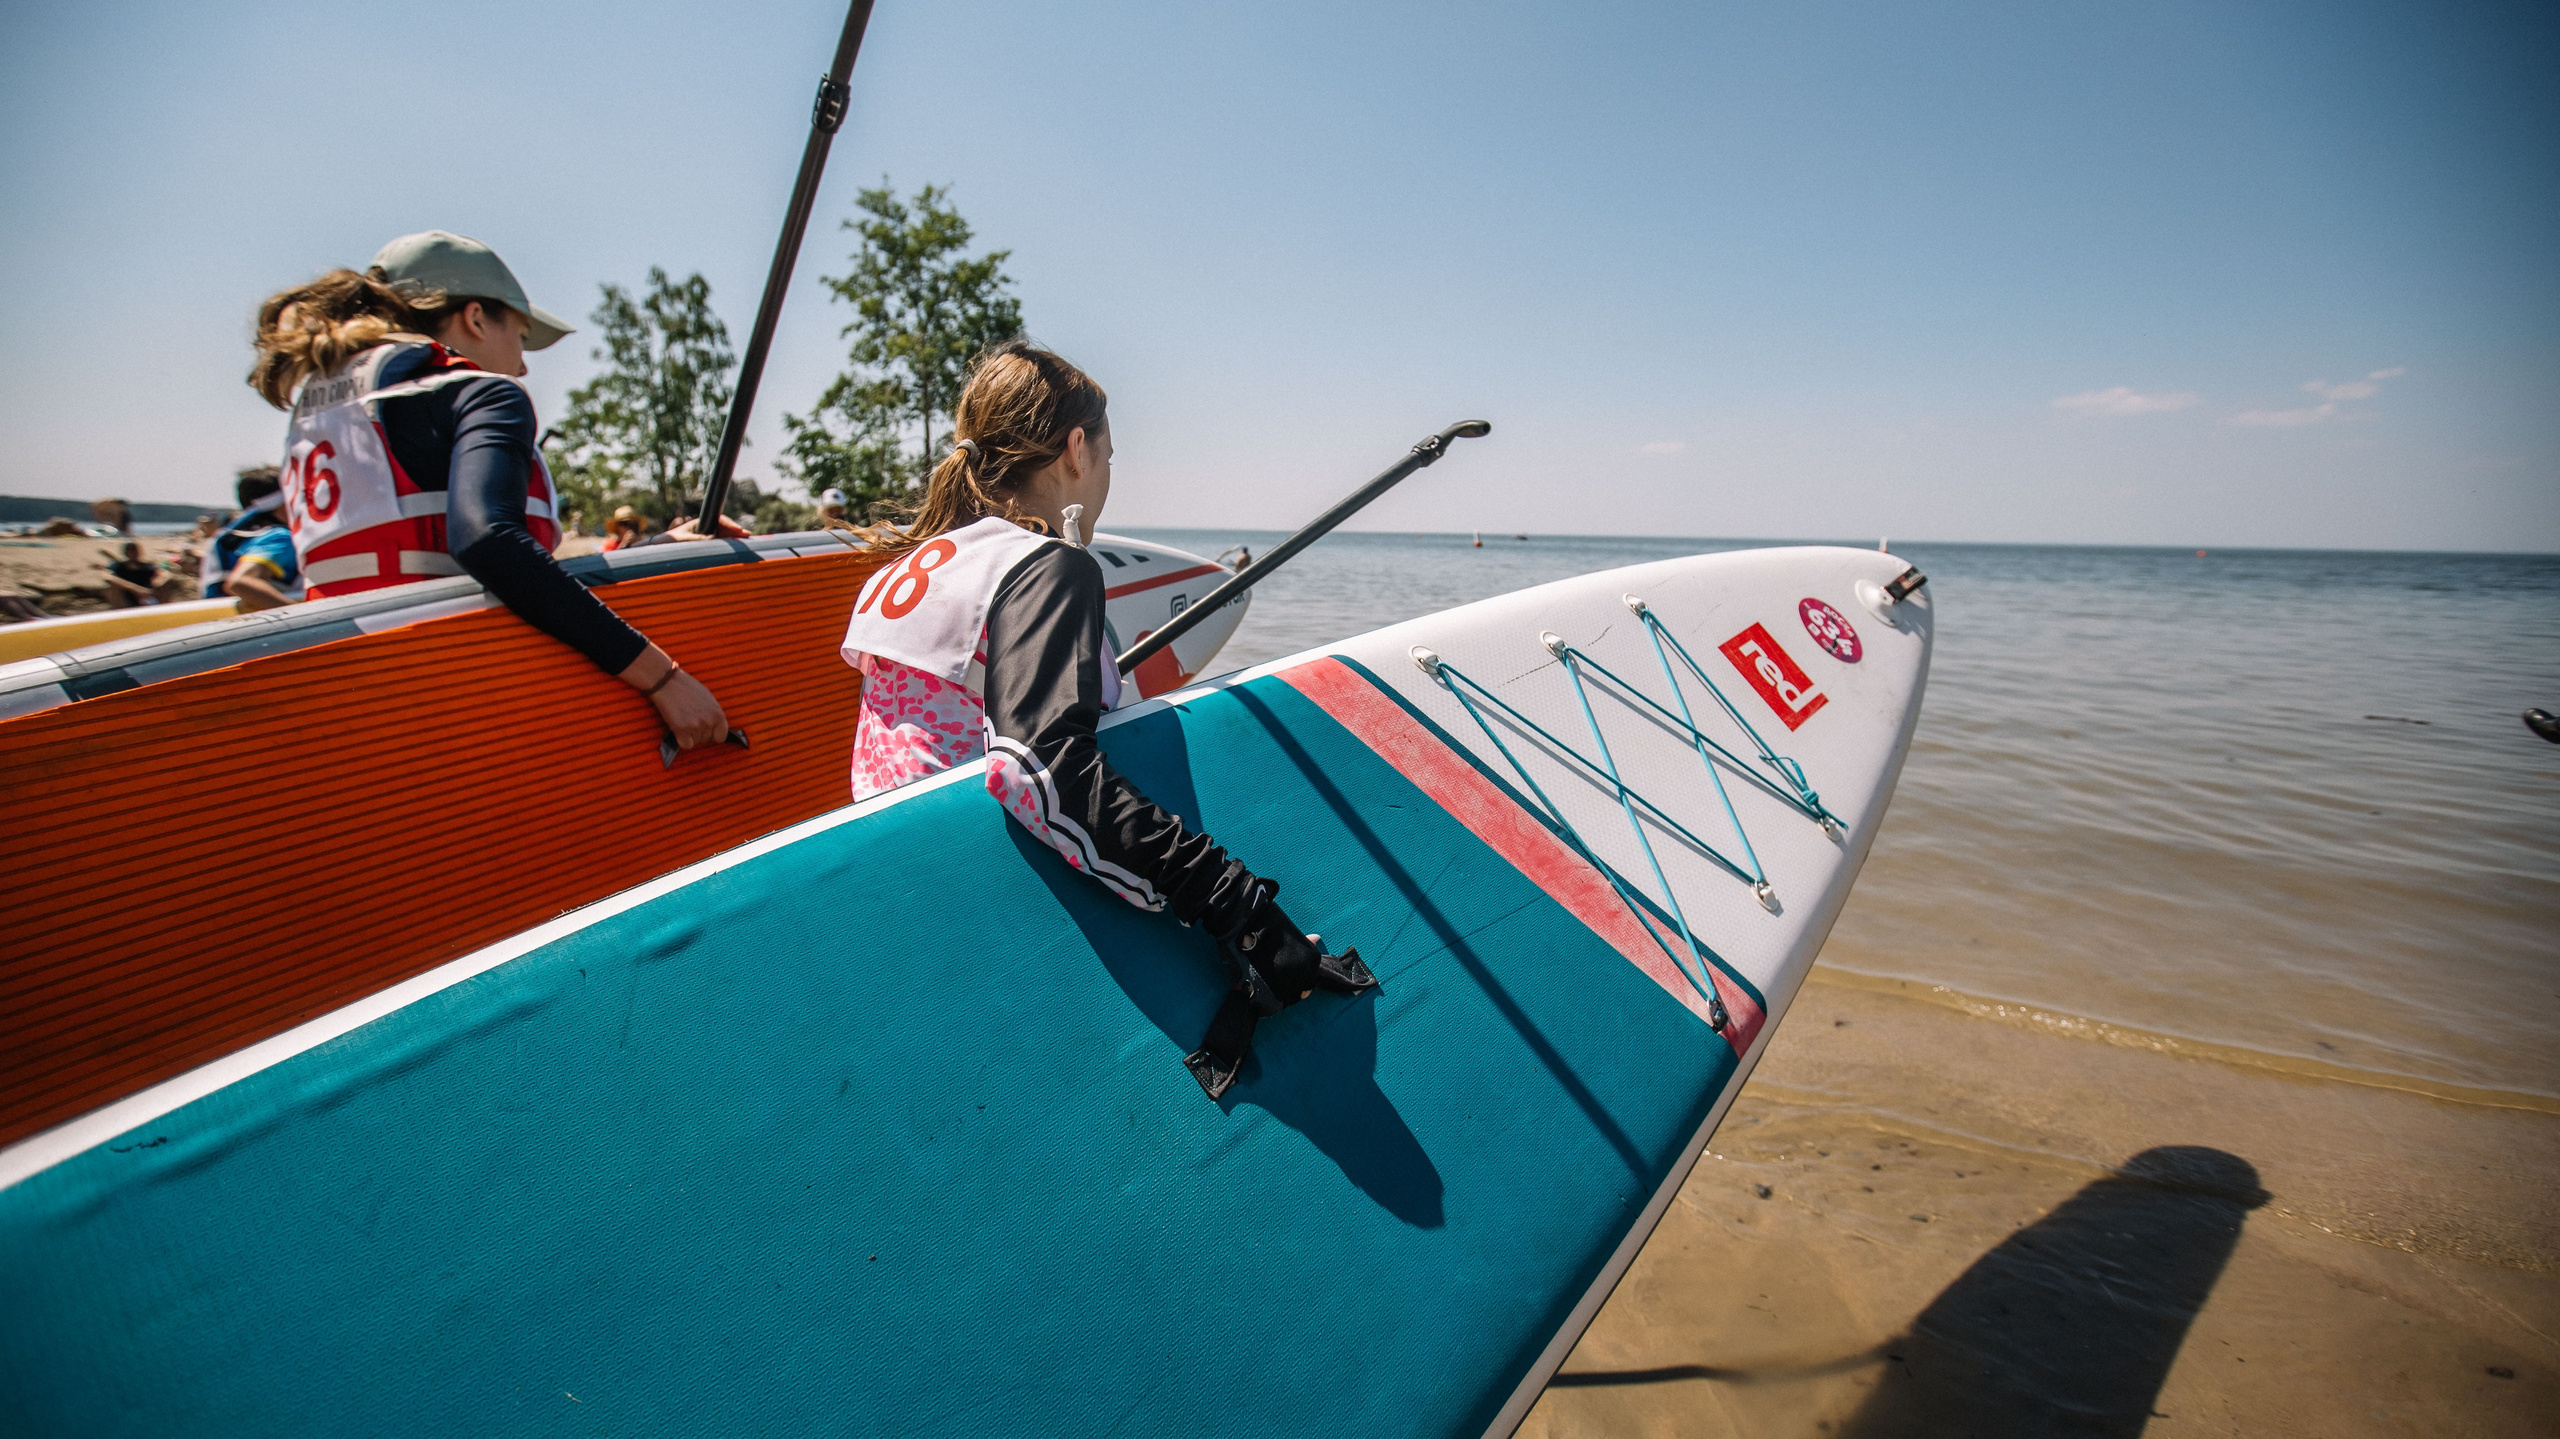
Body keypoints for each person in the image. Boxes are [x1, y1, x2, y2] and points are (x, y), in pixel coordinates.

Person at [837, 341, 1374, 1098]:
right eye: (1109, 455)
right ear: (1076, 449)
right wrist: (1239, 908)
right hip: (999, 905)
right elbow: (1035, 768)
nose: (1108, 476)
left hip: (897, 891)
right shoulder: (1043, 567)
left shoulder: (912, 570)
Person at [247, 231, 728, 750]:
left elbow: (459, 565)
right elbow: (488, 543)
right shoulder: (481, 394)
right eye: (520, 336)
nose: (523, 365)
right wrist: (664, 679)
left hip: (345, 697)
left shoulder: (321, 416)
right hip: (460, 701)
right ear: (475, 318)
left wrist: (652, 552)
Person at [200, 467, 302, 611]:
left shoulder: (237, 536)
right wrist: (304, 617)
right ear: (282, 503)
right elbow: (240, 582)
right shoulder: (279, 537)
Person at [102, 542, 163, 607]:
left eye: (136, 550)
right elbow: (106, 577)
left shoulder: (148, 566)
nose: (135, 553)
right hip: (126, 596)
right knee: (111, 588)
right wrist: (135, 589)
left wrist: (156, 582)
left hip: (148, 595)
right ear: (126, 553)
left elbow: (162, 575)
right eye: (132, 551)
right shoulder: (119, 567)